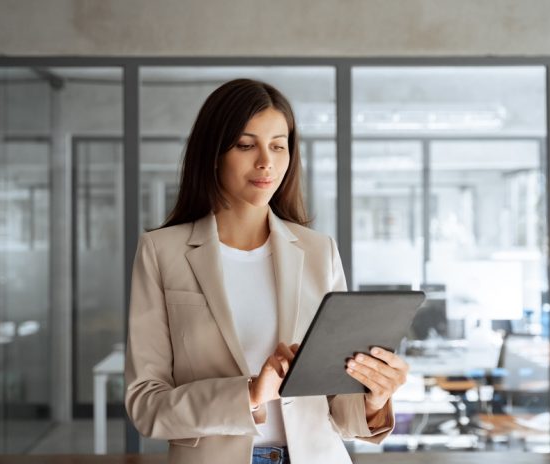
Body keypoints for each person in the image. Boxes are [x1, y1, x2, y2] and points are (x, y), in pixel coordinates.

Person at [124, 78, 409, 464]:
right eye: (246, 145)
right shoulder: (161, 252)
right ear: (213, 153)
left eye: (278, 145)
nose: (266, 161)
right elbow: (147, 406)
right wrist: (249, 396)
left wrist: (374, 398)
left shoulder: (318, 251)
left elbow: (340, 414)